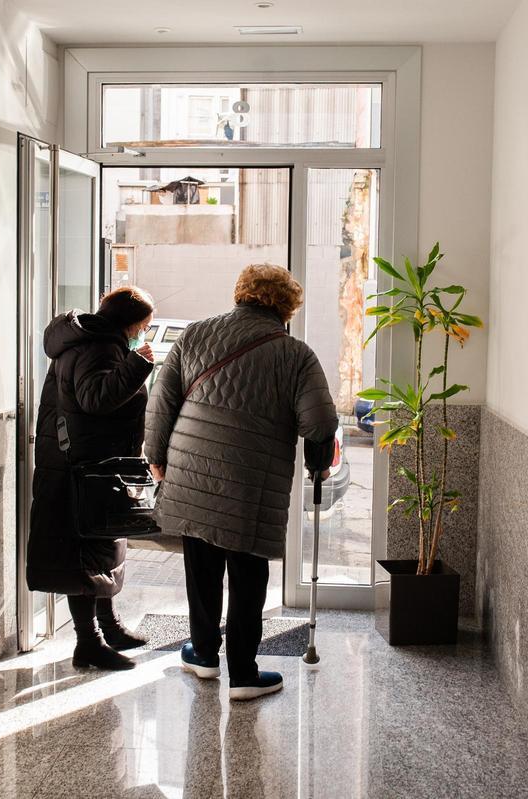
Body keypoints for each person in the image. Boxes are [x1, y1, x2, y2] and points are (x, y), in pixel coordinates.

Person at [145, 264, 338, 700]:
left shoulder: (195, 335)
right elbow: (319, 423)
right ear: (287, 305)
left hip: (193, 472)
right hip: (254, 483)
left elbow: (161, 403)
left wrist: (156, 458)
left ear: (241, 293)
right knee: (249, 578)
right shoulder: (295, 355)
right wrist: (318, 465)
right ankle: (244, 675)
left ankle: (203, 655)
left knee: (202, 569)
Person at [26, 287, 157, 671]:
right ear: (129, 323)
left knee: (101, 551)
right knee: (84, 559)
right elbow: (95, 398)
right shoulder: (99, 346)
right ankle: (89, 642)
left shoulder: (90, 341)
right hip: (84, 470)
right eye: (144, 326)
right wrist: (137, 365)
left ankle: (108, 627)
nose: (144, 333)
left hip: (88, 466)